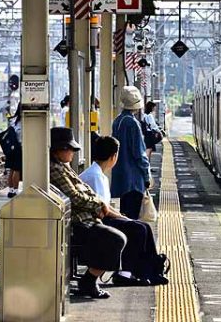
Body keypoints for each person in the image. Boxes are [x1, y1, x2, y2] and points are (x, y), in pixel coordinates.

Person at [49, 127, 126, 299]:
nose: (73, 153)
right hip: (77, 222)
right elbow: (75, 197)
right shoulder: (56, 169)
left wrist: (97, 203)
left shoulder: (62, 166)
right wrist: (98, 204)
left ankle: (90, 280)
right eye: (71, 149)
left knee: (117, 236)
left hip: (84, 219)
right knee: (116, 239)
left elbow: (86, 191)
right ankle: (89, 281)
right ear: (60, 150)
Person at [80, 136, 168, 286]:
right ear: (114, 156)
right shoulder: (95, 176)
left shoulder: (97, 174)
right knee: (137, 228)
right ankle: (128, 273)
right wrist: (124, 218)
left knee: (143, 226)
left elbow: (104, 205)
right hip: (95, 222)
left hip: (98, 219)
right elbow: (103, 209)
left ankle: (149, 271)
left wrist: (122, 216)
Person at [112, 86, 151, 219]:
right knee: (133, 218)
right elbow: (140, 154)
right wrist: (147, 176)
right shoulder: (133, 123)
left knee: (125, 217)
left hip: (121, 178)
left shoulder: (117, 121)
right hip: (134, 180)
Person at [5, 106, 22, 198]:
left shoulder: (14, 120)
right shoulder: (24, 121)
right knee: (16, 170)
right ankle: (15, 191)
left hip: (10, 148)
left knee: (11, 170)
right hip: (18, 148)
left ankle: (11, 190)